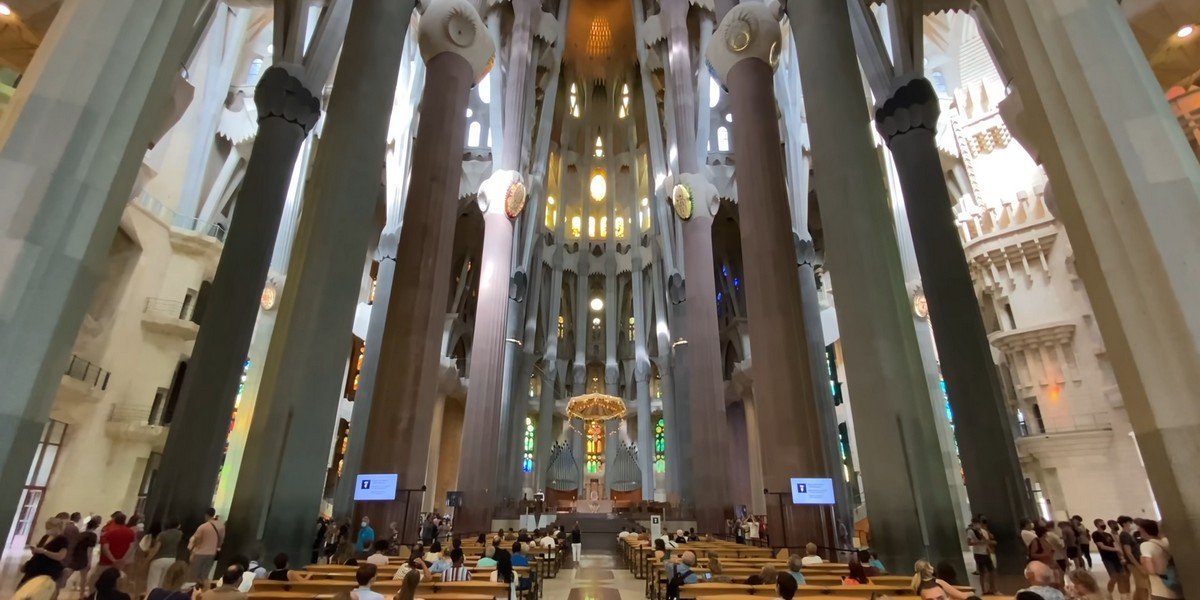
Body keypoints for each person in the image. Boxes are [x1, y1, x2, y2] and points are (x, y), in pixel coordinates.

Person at [1136, 519, 1181, 600]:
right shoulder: (1167, 541)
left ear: (1144, 531)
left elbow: (1150, 570)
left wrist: (1142, 561)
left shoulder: (1146, 545)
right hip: (1177, 586)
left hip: (1160, 590)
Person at [21, 517, 69, 588]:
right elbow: (39, 551)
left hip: (48, 569)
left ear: (57, 528)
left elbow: (60, 556)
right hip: (36, 566)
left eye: (50, 528)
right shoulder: (46, 537)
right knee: (23, 587)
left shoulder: (62, 540)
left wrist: (44, 552)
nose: (48, 530)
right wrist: (35, 550)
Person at [95, 512, 136, 588]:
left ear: (114, 520)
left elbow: (105, 548)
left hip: (106, 562)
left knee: (101, 581)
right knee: (116, 583)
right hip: (121, 563)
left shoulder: (108, 531)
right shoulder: (130, 532)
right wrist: (123, 559)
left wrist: (113, 560)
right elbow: (131, 547)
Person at [1094, 518, 1129, 599]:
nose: (1103, 524)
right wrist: (1116, 549)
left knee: (1121, 576)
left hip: (1115, 557)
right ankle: (1109, 592)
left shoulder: (1108, 535)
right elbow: (1102, 546)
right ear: (1097, 524)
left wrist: (1120, 554)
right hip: (1107, 558)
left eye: (1103, 522)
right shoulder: (1096, 534)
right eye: (1101, 523)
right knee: (1114, 577)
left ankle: (1122, 595)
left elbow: (1114, 545)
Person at [189, 508, 224, 587]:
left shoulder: (203, 527)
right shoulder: (221, 526)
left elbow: (196, 540)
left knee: (193, 576)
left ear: (206, 515)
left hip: (199, 553)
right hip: (212, 553)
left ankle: (192, 593)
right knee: (204, 575)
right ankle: (202, 592)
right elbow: (221, 540)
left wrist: (192, 551)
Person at [1119, 516, 1150, 600]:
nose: (1132, 525)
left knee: (1140, 587)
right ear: (1124, 523)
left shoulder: (1128, 534)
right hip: (1134, 564)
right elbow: (1128, 553)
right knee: (1143, 587)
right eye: (1130, 522)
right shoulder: (1124, 535)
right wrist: (1139, 567)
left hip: (1136, 562)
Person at [146, 518, 181, 591]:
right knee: (161, 583)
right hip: (171, 559)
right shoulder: (179, 534)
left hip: (159, 559)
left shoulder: (162, 535)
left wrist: (147, 559)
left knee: (153, 582)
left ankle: (151, 596)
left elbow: (156, 549)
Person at [70, 516, 101, 594]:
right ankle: (81, 595)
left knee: (70, 573)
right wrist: (89, 562)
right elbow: (89, 550)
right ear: (96, 526)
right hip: (84, 557)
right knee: (83, 578)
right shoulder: (93, 536)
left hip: (76, 556)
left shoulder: (81, 534)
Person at [968, 517, 997, 594]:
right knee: (982, 572)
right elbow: (969, 542)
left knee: (991, 571)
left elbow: (987, 541)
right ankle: (984, 590)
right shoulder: (971, 532)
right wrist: (980, 543)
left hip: (985, 553)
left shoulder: (983, 531)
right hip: (978, 554)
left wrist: (989, 548)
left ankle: (992, 588)